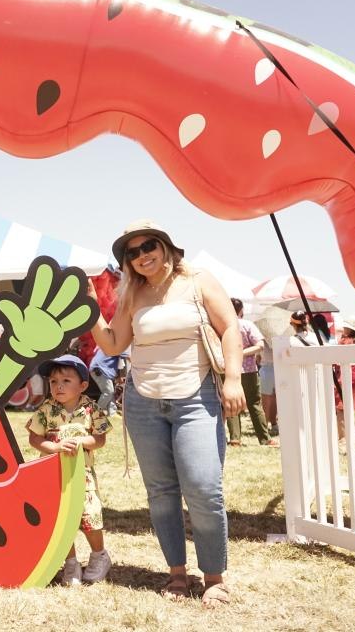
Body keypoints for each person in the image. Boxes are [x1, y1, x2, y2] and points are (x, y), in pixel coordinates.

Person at [88, 220, 244, 608]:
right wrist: (89, 308)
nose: (142, 255)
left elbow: (229, 327)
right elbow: (114, 343)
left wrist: (233, 379)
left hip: (197, 397)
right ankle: (177, 574)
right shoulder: (132, 293)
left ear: (166, 246)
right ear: (127, 261)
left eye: (149, 246)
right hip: (143, 402)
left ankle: (214, 578)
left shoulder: (197, 280)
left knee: (203, 488)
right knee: (160, 493)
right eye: (133, 252)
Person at [25, 355, 112, 585]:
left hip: (82, 476)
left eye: (66, 381)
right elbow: (34, 438)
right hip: (53, 475)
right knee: (59, 520)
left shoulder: (90, 409)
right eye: (53, 382)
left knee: (90, 515)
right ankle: (70, 562)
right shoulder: (46, 409)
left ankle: (99, 556)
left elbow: (100, 439)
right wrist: (53, 447)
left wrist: (82, 441)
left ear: (82, 385)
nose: (59, 386)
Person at [225, 298, 276, 447]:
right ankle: (265, 438)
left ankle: (235, 439)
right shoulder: (247, 325)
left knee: (231, 403)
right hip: (248, 370)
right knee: (254, 404)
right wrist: (241, 353)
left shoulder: (222, 325)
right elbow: (260, 345)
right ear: (241, 310)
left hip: (228, 369)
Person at [88, 347, 127, 417]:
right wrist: (121, 375)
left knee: (110, 393)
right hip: (100, 370)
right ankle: (96, 412)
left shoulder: (109, 345)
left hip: (102, 370)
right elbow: (127, 358)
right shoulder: (118, 346)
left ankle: (112, 413)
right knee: (109, 391)